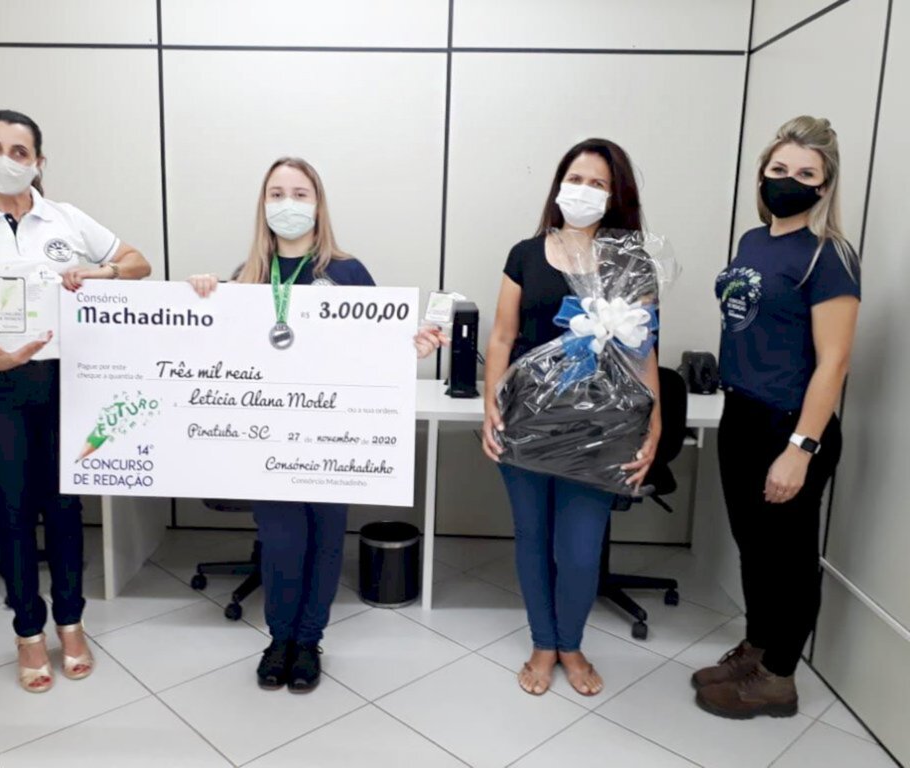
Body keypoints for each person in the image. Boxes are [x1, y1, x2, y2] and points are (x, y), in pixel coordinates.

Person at [189, 157, 445, 692]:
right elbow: (215, 351)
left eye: (300, 194)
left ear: (318, 204)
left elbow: (379, 352)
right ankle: (279, 639)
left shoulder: (347, 272)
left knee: (326, 541)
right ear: (263, 205)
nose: (288, 204)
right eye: (277, 193)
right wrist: (204, 298)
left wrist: (412, 348)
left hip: (335, 435)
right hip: (270, 438)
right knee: (283, 543)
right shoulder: (247, 275)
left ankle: (309, 641)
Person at [0, 109, 151, 693]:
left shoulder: (65, 219)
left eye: (19, 152)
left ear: (38, 162)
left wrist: (99, 271)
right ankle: (29, 631)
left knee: (65, 508)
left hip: (68, 382)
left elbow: (138, 264)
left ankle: (71, 624)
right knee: (13, 511)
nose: (6, 159)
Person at [481, 139, 661, 697]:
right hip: (527, 423)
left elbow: (645, 352)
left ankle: (572, 644)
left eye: (598, 183)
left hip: (602, 430)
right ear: (559, 185)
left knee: (579, 549)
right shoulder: (525, 254)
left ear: (615, 196)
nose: (583, 191)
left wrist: (653, 427)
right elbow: (504, 336)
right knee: (533, 538)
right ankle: (543, 642)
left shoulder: (632, 262)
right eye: (575, 179)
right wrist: (490, 402)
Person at [695, 116, 860, 718]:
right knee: (753, 548)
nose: (789, 180)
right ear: (763, 175)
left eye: (806, 174)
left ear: (824, 187)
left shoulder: (829, 256)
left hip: (791, 424)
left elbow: (835, 359)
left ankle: (779, 678)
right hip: (740, 412)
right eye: (779, 169)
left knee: (789, 560)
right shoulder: (752, 241)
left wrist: (801, 447)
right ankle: (758, 649)